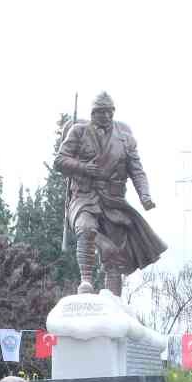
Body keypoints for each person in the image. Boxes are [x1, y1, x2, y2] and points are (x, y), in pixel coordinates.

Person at [53, 91, 167, 296]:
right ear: (93, 113)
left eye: (108, 112)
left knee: (115, 253)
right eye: (100, 112)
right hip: (84, 196)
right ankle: (86, 281)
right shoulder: (79, 132)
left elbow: (137, 170)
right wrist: (83, 167)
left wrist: (145, 195)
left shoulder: (124, 140)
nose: (105, 116)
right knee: (85, 229)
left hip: (113, 201)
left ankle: (114, 298)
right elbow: (60, 161)